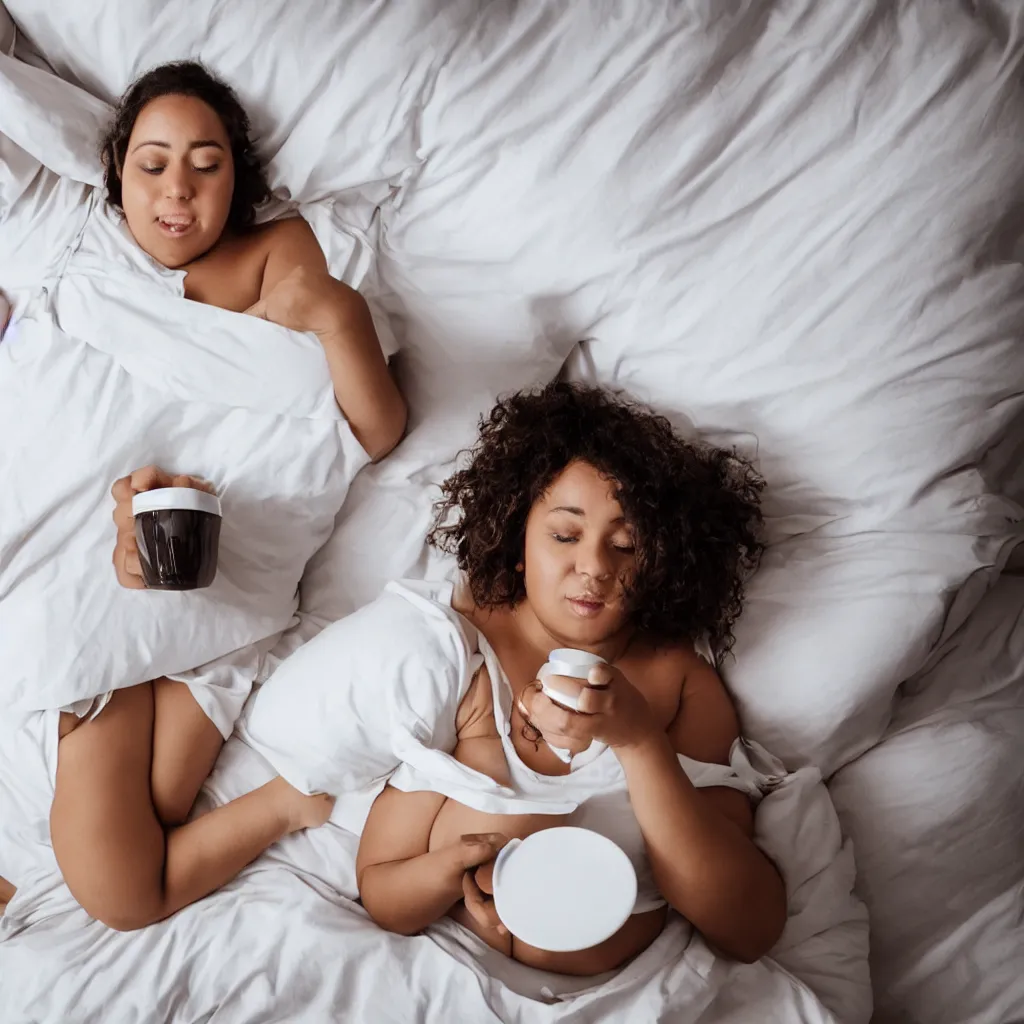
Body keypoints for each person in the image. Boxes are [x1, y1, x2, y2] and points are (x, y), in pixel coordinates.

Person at [15, 60, 406, 932]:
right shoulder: (87, 257)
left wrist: (339, 320)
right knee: (147, 811)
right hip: (125, 550)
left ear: (240, 176)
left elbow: (368, 429)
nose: (177, 191)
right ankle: (277, 796)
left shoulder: (283, 250)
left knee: (122, 887)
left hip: (220, 554)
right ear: (116, 175)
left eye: (206, 164)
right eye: (151, 165)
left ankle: (260, 787)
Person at [355, 383, 788, 973]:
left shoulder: (680, 683)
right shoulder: (460, 656)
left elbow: (748, 927)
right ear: (516, 543)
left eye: (627, 545)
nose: (595, 568)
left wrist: (639, 743)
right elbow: (380, 889)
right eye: (565, 535)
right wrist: (450, 868)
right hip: (445, 973)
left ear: (663, 564)